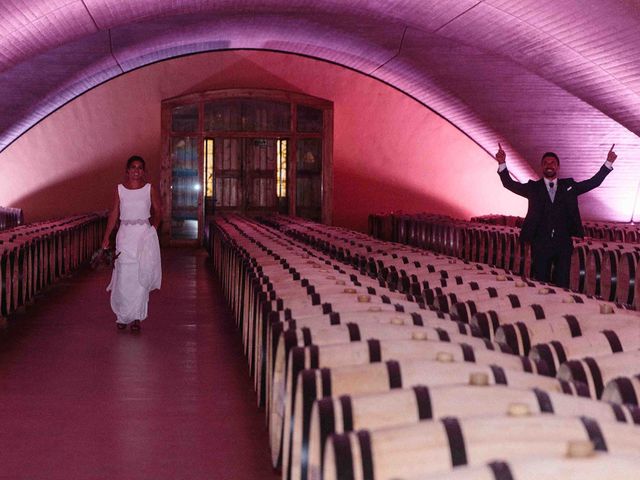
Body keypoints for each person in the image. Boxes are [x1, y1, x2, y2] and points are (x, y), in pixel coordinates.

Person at [495, 144, 616, 288]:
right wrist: (502, 163)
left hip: (563, 244)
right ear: (542, 167)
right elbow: (509, 184)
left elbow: (593, 182)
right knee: (540, 283)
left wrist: (608, 163)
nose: (549, 165)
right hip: (540, 243)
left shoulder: (569, 186)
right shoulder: (533, 188)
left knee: (562, 282)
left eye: (552, 162)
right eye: (545, 163)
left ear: (558, 167)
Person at [101, 155, 162, 331]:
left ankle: (137, 316)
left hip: (143, 235)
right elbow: (114, 213)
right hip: (125, 235)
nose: (136, 171)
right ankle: (122, 316)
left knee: (140, 274)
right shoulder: (119, 189)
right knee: (123, 276)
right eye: (133, 167)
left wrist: (153, 229)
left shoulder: (150, 189)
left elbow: (159, 212)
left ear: (144, 171)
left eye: (140, 168)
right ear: (127, 171)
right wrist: (107, 236)